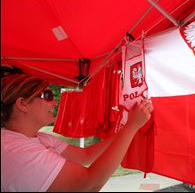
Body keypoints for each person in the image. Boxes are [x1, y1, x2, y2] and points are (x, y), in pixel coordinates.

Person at [1, 73, 153, 192]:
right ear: (22, 104)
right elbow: (88, 185)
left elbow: (85, 155)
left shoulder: (39, 137)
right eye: (47, 96)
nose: (54, 102)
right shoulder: (14, 150)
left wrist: (127, 127)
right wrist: (131, 127)